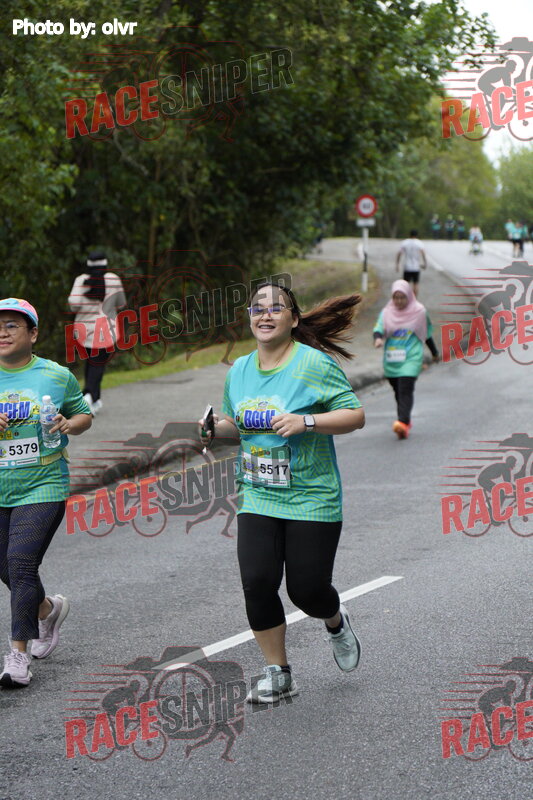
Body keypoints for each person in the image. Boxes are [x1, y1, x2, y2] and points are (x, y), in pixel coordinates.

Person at [200, 281, 365, 703]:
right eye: (258, 308)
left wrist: (306, 422)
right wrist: (215, 429)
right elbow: (238, 425)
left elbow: (354, 414)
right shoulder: (239, 370)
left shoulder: (313, 364)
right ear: (249, 319)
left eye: (276, 307)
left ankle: (335, 620)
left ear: (293, 319)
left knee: (306, 591)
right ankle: (278, 672)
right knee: (257, 582)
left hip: (312, 495)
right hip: (258, 492)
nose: (266, 314)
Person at [0, 298, 92, 687]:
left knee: (20, 562)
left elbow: (84, 414)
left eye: (12, 325)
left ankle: (17, 656)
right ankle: (47, 609)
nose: (3, 332)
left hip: (43, 483)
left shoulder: (55, 375)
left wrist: (70, 424)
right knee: (6, 567)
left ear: (33, 333)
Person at [373, 280, 439, 439]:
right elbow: (378, 328)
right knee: (398, 391)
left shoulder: (419, 312)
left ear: (409, 296)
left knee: (405, 389)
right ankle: (405, 422)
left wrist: (435, 353)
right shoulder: (387, 312)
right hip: (392, 360)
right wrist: (378, 339)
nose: (399, 301)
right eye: (395, 297)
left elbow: (427, 334)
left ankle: (402, 422)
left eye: (402, 297)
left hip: (411, 358)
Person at [67, 251, 126, 415]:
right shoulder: (113, 279)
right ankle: (89, 397)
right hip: (106, 330)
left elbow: (73, 304)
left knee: (91, 362)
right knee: (97, 364)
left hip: (84, 331)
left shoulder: (81, 280)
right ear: (105, 264)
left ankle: (94, 398)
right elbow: (121, 303)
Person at [395, 230, 427, 297]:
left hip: (407, 267)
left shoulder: (405, 242)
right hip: (416, 267)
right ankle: (414, 299)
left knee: (406, 284)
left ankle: (406, 297)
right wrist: (425, 263)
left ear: (409, 235)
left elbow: (399, 253)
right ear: (417, 235)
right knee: (416, 284)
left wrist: (397, 264)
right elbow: (423, 254)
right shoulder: (419, 243)